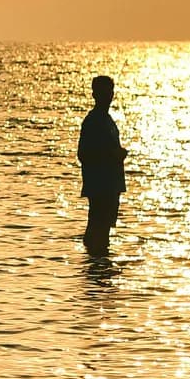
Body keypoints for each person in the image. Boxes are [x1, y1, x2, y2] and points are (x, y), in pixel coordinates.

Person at [75, 75, 127, 254]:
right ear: (95, 95)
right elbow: (84, 154)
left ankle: (98, 262)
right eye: (103, 93)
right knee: (97, 227)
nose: (108, 96)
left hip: (111, 184)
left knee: (104, 229)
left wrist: (116, 154)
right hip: (100, 185)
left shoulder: (106, 120)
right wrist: (112, 155)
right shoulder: (93, 121)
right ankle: (94, 261)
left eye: (110, 92)